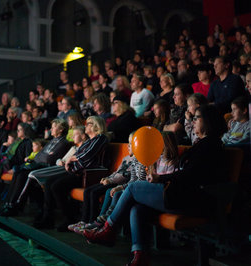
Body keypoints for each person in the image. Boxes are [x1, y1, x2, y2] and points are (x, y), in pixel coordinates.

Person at [84, 104, 227, 266]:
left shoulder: (211, 145)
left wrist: (161, 178)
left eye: (196, 118)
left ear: (207, 121)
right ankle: (140, 255)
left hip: (191, 199)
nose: (193, 121)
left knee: (132, 187)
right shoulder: (203, 143)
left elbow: (191, 175)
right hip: (182, 194)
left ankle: (108, 230)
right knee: (136, 209)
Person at [34, 116, 108, 232]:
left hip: (87, 175)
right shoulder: (89, 140)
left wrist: (71, 160)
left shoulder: (100, 138)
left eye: (88, 123)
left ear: (95, 126)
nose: (85, 126)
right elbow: (78, 156)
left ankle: (69, 218)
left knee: (56, 186)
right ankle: (48, 218)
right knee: (49, 183)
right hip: (76, 172)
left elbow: (86, 155)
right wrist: (70, 162)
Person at [0, 126, 87, 217]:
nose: (51, 129)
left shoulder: (65, 143)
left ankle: (16, 206)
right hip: (52, 166)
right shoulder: (62, 144)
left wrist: (58, 160)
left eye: (53, 127)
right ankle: (9, 203)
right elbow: (43, 157)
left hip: (56, 169)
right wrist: (59, 160)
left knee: (30, 176)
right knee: (19, 173)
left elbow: (50, 159)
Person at [69, 132, 136, 233]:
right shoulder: (126, 158)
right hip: (111, 180)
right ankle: (84, 221)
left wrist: (110, 180)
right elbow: (116, 172)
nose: (128, 146)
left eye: (131, 144)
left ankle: (92, 222)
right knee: (88, 190)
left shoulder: (137, 161)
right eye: (128, 143)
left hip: (118, 183)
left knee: (94, 193)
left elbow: (126, 176)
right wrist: (107, 178)